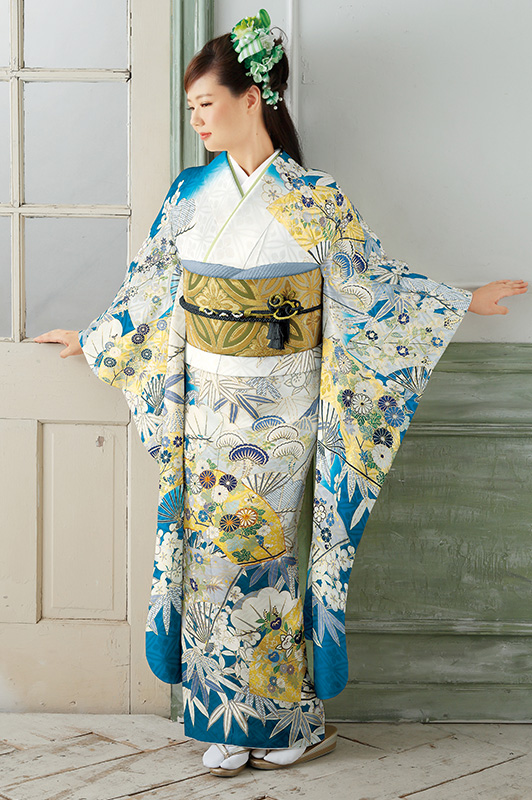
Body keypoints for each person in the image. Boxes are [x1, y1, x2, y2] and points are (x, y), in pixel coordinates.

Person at [35, 8, 527, 779]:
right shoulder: (189, 195)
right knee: (212, 561)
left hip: (285, 411)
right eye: (191, 106)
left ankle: (290, 720)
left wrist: (464, 299)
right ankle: (223, 720)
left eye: (206, 103)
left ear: (252, 97)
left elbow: (374, 291)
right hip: (206, 409)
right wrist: (95, 336)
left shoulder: (315, 198)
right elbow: (152, 290)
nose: (196, 119)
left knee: (265, 559)